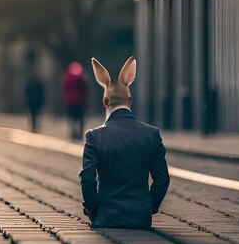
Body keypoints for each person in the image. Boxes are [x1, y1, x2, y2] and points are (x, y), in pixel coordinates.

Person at [80, 56, 170, 229]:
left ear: (105, 102)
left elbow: (88, 179)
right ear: (130, 99)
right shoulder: (152, 134)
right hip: (141, 218)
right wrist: (148, 208)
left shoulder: (94, 137)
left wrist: (93, 210)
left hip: (107, 218)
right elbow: (162, 180)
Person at [63, 61, 88, 139]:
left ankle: (73, 133)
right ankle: (79, 134)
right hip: (80, 101)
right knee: (80, 119)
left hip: (71, 102)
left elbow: (65, 89)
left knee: (72, 118)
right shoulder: (81, 78)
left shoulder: (67, 78)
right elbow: (85, 89)